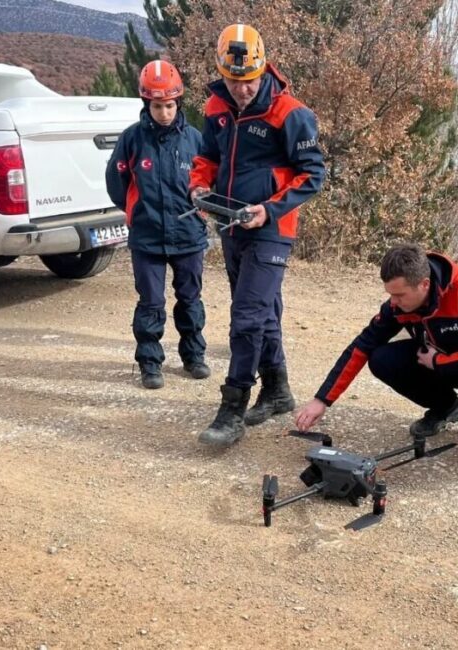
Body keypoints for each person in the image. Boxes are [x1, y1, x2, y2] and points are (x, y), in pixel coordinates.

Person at [189, 24, 326, 445]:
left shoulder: (290, 113)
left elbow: (313, 174)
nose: (241, 90)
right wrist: (198, 185)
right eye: (233, 80)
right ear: (221, 73)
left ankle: (232, 408)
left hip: (272, 229)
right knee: (262, 311)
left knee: (247, 316)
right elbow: (208, 157)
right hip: (230, 223)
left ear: (263, 69)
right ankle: (277, 389)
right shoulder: (216, 106)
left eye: (247, 81)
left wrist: (268, 209)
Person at [294, 243, 458, 458]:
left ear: (424, 284)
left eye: (399, 295)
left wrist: (440, 361)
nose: (393, 302)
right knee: (382, 359)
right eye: (390, 294)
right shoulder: (398, 304)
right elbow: (362, 345)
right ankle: (447, 407)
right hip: (442, 358)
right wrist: (322, 399)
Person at [106, 60, 209, 390]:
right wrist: (136, 212)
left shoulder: (194, 139)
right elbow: (116, 181)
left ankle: (194, 357)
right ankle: (150, 363)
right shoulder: (132, 140)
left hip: (189, 235)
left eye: (169, 105)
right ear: (146, 104)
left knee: (190, 298)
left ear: (178, 103)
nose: (164, 112)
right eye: (157, 106)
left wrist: (201, 209)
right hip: (147, 237)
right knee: (151, 302)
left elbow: (209, 181)